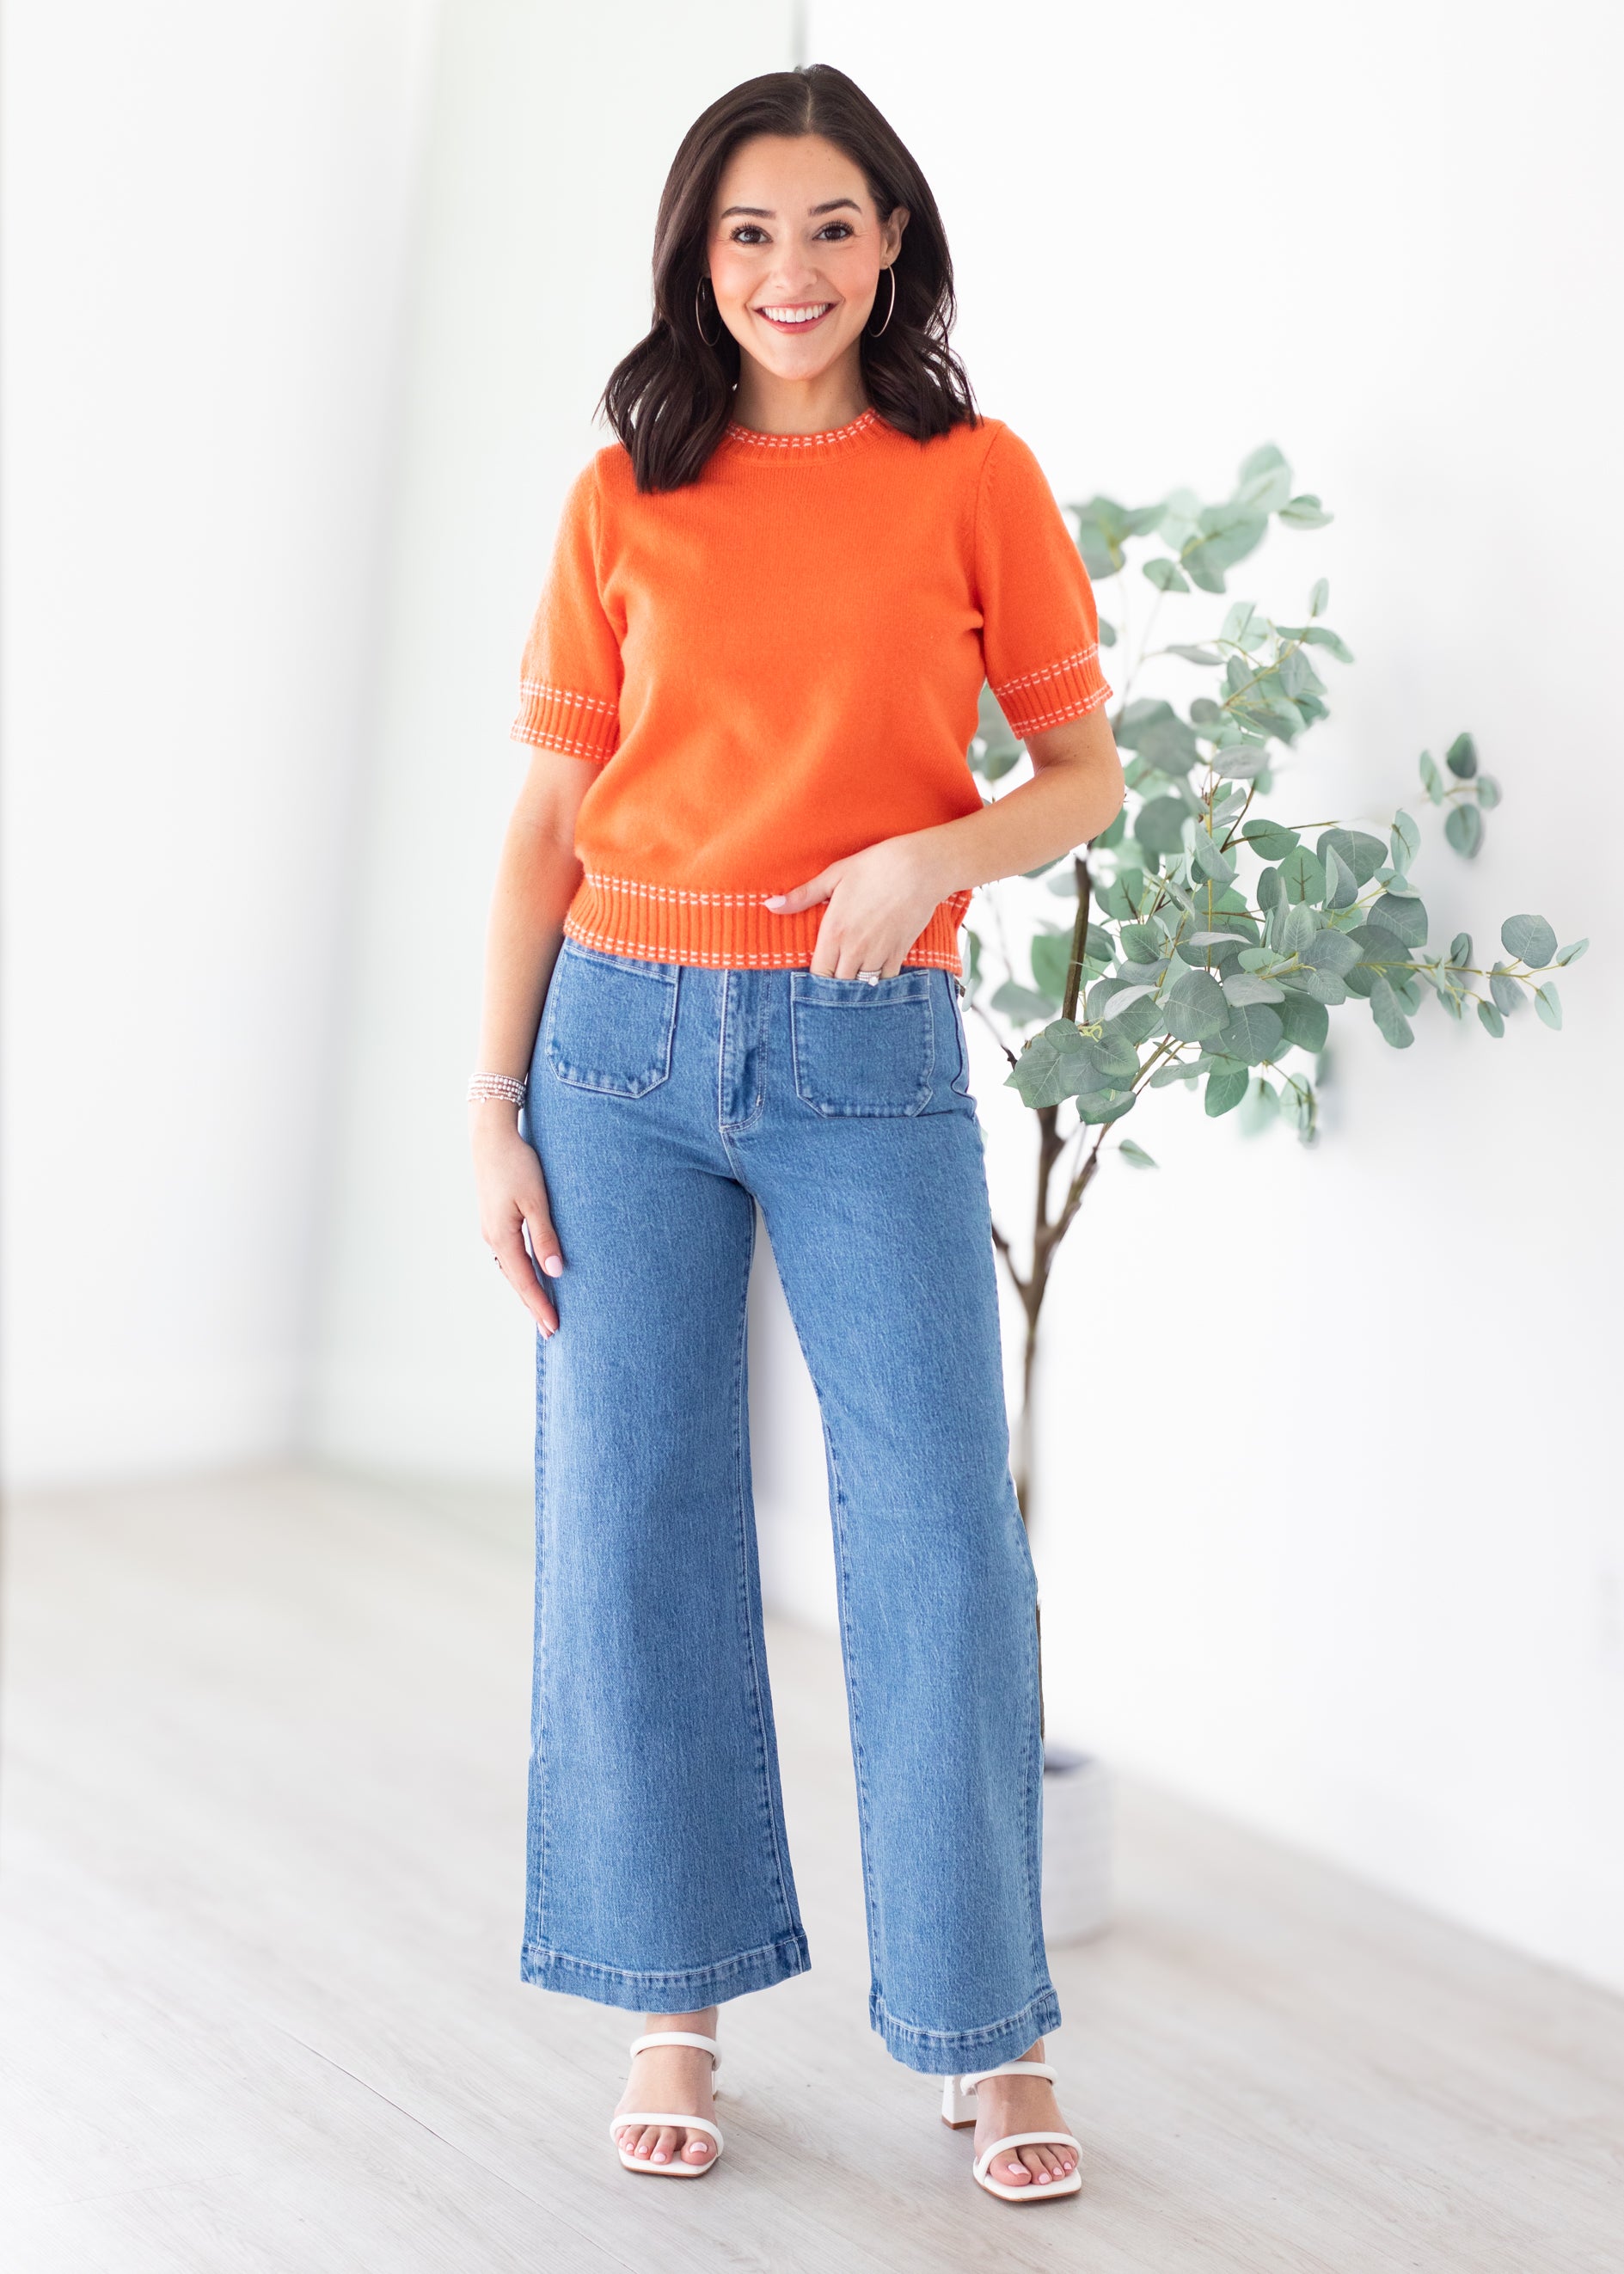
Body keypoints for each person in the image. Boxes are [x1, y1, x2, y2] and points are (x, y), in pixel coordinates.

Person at [469, 63, 1123, 2207]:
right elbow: (551, 821)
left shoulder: (973, 476)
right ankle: (678, 1994)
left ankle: (986, 2035)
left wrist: (928, 854)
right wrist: (494, 1105)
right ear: (695, 254)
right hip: (619, 1050)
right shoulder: (622, 494)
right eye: (749, 232)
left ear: (897, 242)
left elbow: (1080, 780)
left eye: (832, 226)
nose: (790, 272)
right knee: (636, 1514)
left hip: (869, 1048)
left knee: (937, 1528)